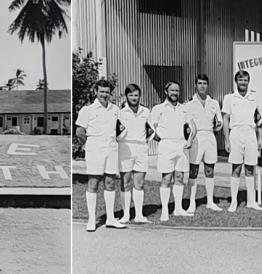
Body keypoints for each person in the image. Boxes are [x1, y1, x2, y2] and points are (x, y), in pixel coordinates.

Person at [75, 79, 127, 232]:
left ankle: (110, 218)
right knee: (93, 183)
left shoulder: (115, 109)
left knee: (110, 182)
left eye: (107, 92)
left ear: (110, 93)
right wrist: (88, 144)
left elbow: (122, 128)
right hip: (95, 147)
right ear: (95, 92)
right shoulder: (87, 110)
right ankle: (92, 220)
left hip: (111, 147)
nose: (104, 95)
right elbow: (79, 132)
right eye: (101, 92)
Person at [148, 81, 197, 221]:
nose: (175, 93)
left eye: (177, 90)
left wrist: (190, 140)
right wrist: (160, 139)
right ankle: (164, 210)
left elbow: (192, 126)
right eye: (172, 90)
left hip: (181, 146)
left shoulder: (185, 108)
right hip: (166, 145)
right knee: (167, 178)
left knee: (180, 177)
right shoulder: (158, 108)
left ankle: (178, 208)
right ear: (166, 91)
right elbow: (150, 128)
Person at [222, 70, 262, 212]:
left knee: (250, 167)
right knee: (236, 168)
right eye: (240, 80)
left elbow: (259, 119)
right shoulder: (229, 98)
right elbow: (226, 119)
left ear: (248, 81)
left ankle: (251, 201)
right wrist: (227, 140)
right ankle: (233, 202)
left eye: (245, 80)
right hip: (236, 134)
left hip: (250, 134)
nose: (243, 83)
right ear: (236, 81)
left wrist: (260, 137)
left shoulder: (255, 97)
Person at [185, 74, 224, 213]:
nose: (202, 86)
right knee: (193, 171)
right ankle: (191, 203)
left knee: (209, 170)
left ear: (207, 85)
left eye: (205, 84)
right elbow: (187, 124)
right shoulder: (189, 104)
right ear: (195, 85)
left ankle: (210, 202)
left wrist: (218, 124)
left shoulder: (214, 103)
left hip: (209, 136)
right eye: (200, 83)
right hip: (195, 138)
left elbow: (219, 122)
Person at [116, 83, 153, 224]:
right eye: (130, 95)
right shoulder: (120, 112)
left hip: (141, 148)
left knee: (140, 182)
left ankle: (139, 215)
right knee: (125, 182)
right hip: (125, 147)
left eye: (136, 95)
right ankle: (125, 214)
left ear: (140, 96)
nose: (133, 97)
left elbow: (150, 131)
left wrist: (146, 141)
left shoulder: (146, 111)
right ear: (126, 96)